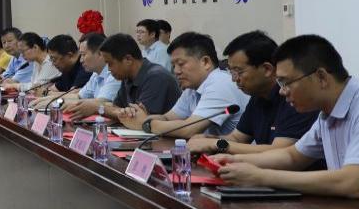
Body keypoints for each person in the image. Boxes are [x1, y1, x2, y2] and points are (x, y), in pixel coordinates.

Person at [214, 35, 359, 209]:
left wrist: (261, 177)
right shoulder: (327, 114)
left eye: (286, 82)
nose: (282, 91)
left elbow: (351, 183)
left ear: (321, 77)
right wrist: (232, 160)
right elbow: (292, 157)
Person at [186, 31, 318, 155]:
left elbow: (279, 152)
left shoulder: (294, 97)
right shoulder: (257, 97)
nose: (234, 79)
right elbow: (238, 138)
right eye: (231, 72)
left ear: (267, 69)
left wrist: (216, 144)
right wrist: (209, 139)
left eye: (239, 71)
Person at [118, 32, 249, 137]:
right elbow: (167, 118)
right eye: (173, 65)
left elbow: (188, 129)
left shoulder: (220, 83)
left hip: (239, 156)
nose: (176, 71)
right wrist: (135, 117)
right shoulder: (192, 88)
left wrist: (146, 123)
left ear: (205, 62)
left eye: (181, 64)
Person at [101, 33, 182, 117]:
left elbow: (137, 118)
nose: (109, 69)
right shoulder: (127, 76)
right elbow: (117, 107)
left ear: (128, 59)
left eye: (110, 63)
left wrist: (99, 108)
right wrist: (113, 110)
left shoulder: (156, 77)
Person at [63, 33, 122, 120]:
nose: (81, 60)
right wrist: (51, 100)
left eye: (83, 54)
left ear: (100, 54)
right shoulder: (96, 73)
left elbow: (99, 103)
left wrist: (68, 103)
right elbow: (79, 96)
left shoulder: (114, 74)